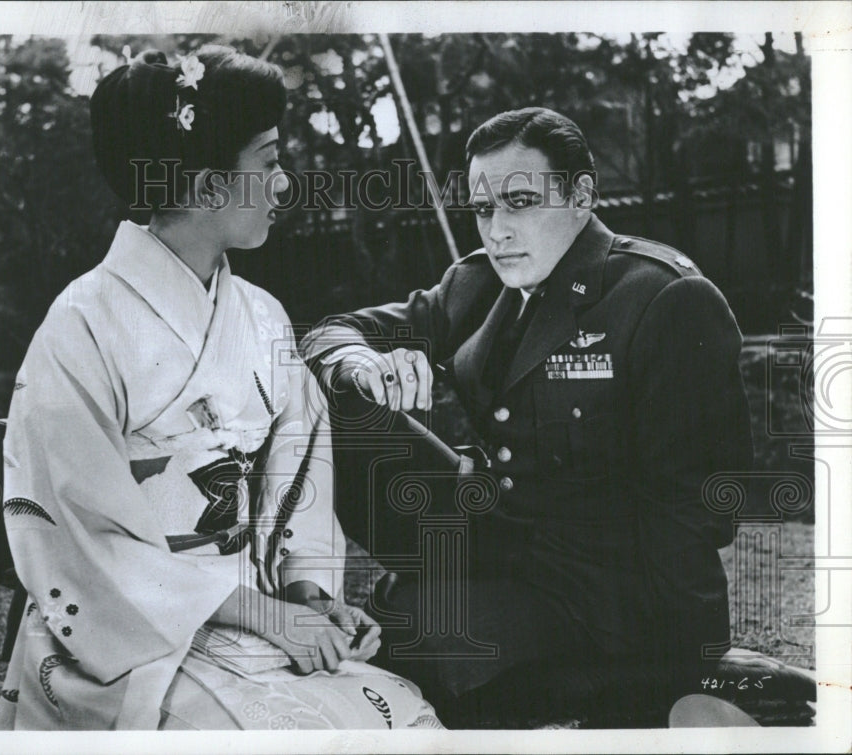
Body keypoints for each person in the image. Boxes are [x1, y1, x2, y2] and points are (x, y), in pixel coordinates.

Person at [0, 46, 441, 731]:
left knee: (404, 719)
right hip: (125, 641)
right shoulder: (81, 326)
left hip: (253, 617)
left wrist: (309, 599)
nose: (284, 183)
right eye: (267, 163)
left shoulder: (261, 316)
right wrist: (271, 618)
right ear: (206, 187)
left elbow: (301, 465)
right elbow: (80, 542)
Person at [299, 107, 753, 727]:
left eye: (518, 202)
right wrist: (359, 363)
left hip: (601, 588)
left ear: (581, 194)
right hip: (498, 538)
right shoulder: (477, 284)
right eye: (484, 209)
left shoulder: (662, 297)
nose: (497, 231)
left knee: (418, 642)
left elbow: (697, 507)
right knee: (330, 398)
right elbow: (330, 333)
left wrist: (692, 661)